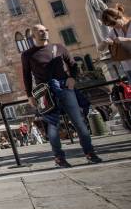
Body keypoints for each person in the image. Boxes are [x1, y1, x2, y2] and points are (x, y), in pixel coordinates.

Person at [22, 24, 102, 167]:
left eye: (46, 30)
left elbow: (73, 64)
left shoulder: (59, 47)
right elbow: (26, 76)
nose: (44, 33)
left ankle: (90, 153)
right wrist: (30, 95)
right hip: (45, 93)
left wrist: (73, 78)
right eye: (40, 31)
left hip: (65, 87)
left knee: (79, 122)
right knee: (52, 126)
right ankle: (59, 158)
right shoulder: (27, 54)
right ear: (33, 35)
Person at [100, 4, 131, 80]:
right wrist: (104, 42)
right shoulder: (113, 31)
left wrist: (125, 39)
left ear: (119, 16)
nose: (112, 26)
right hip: (128, 68)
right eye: (109, 25)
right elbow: (100, 49)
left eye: (113, 23)